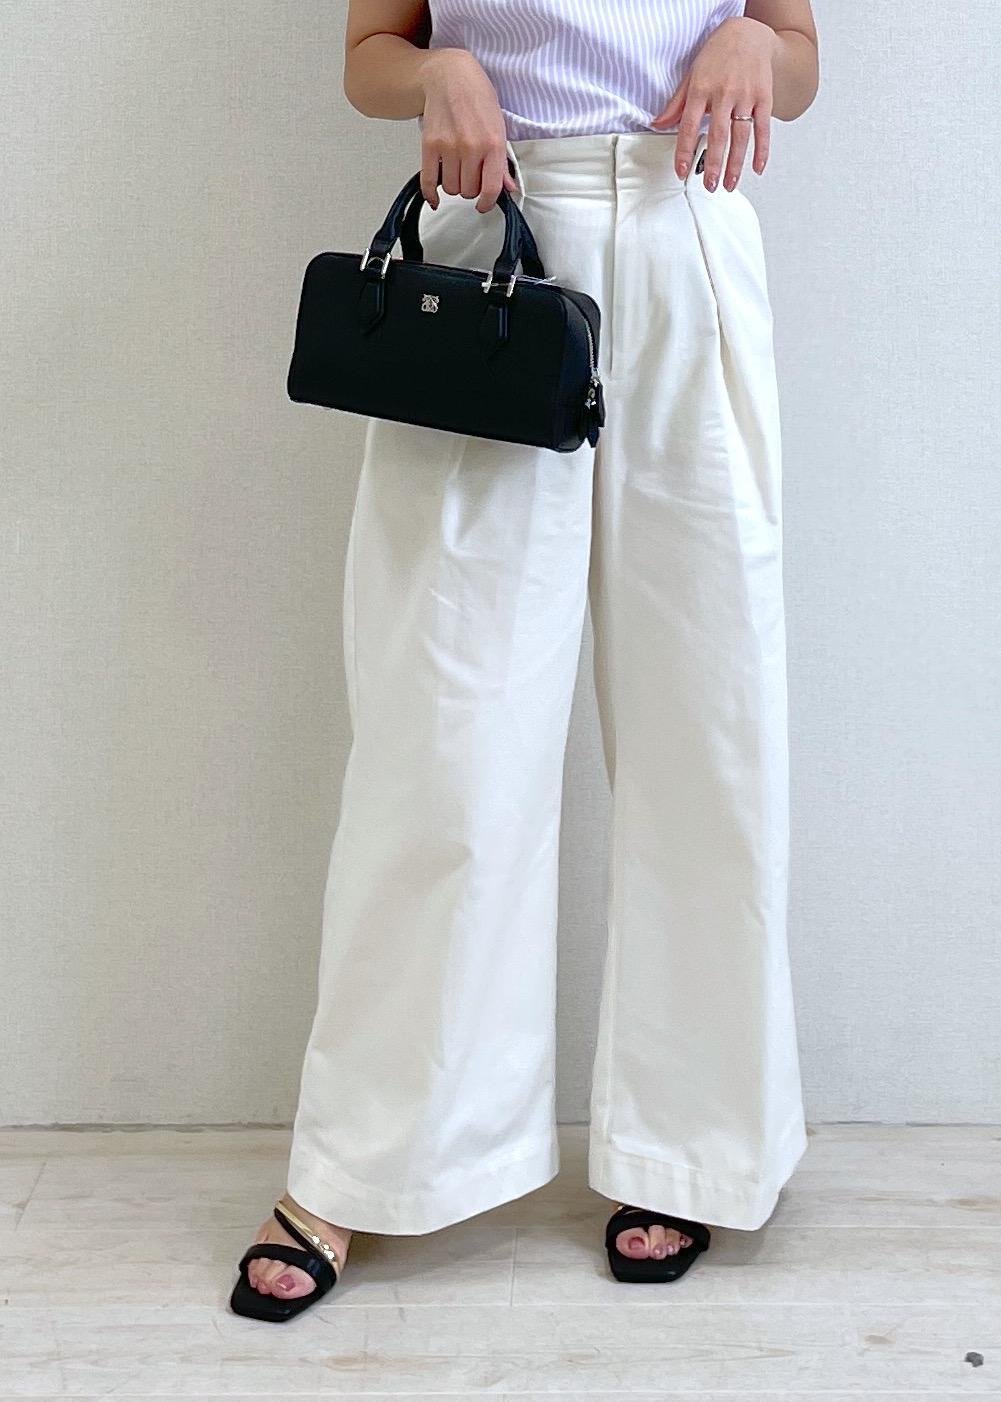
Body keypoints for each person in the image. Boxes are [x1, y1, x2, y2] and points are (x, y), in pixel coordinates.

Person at [230, 0, 820, 1322]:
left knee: (707, 726)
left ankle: (690, 1146)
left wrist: (756, 51)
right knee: (441, 740)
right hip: (494, 248)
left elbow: (795, 57)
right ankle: (363, 1160)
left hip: (688, 231)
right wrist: (439, 69)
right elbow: (369, 57)